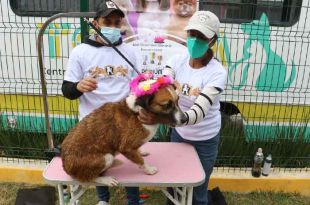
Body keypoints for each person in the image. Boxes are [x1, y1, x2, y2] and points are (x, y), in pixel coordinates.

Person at [138, 10, 227, 205]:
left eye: (201, 36)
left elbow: (199, 112)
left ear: (212, 41)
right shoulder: (175, 61)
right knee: (174, 185)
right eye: (192, 34)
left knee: (197, 191)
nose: (194, 40)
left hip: (205, 138)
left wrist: (161, 119)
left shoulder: (217, 73)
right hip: (179, 136)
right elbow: (163, 86)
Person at [61, 1, 140, 205]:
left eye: (117, 22)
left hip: (124, 123)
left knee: (130, 161)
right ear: (95, 23)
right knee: (100, 162)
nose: (113, 27)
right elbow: (67, 90)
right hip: (93, 126)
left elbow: (137, 88)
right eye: (107, 21)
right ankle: (103, 199)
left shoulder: (130, 52)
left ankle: (133, 199)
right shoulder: (80, 52)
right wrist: (78, 86)